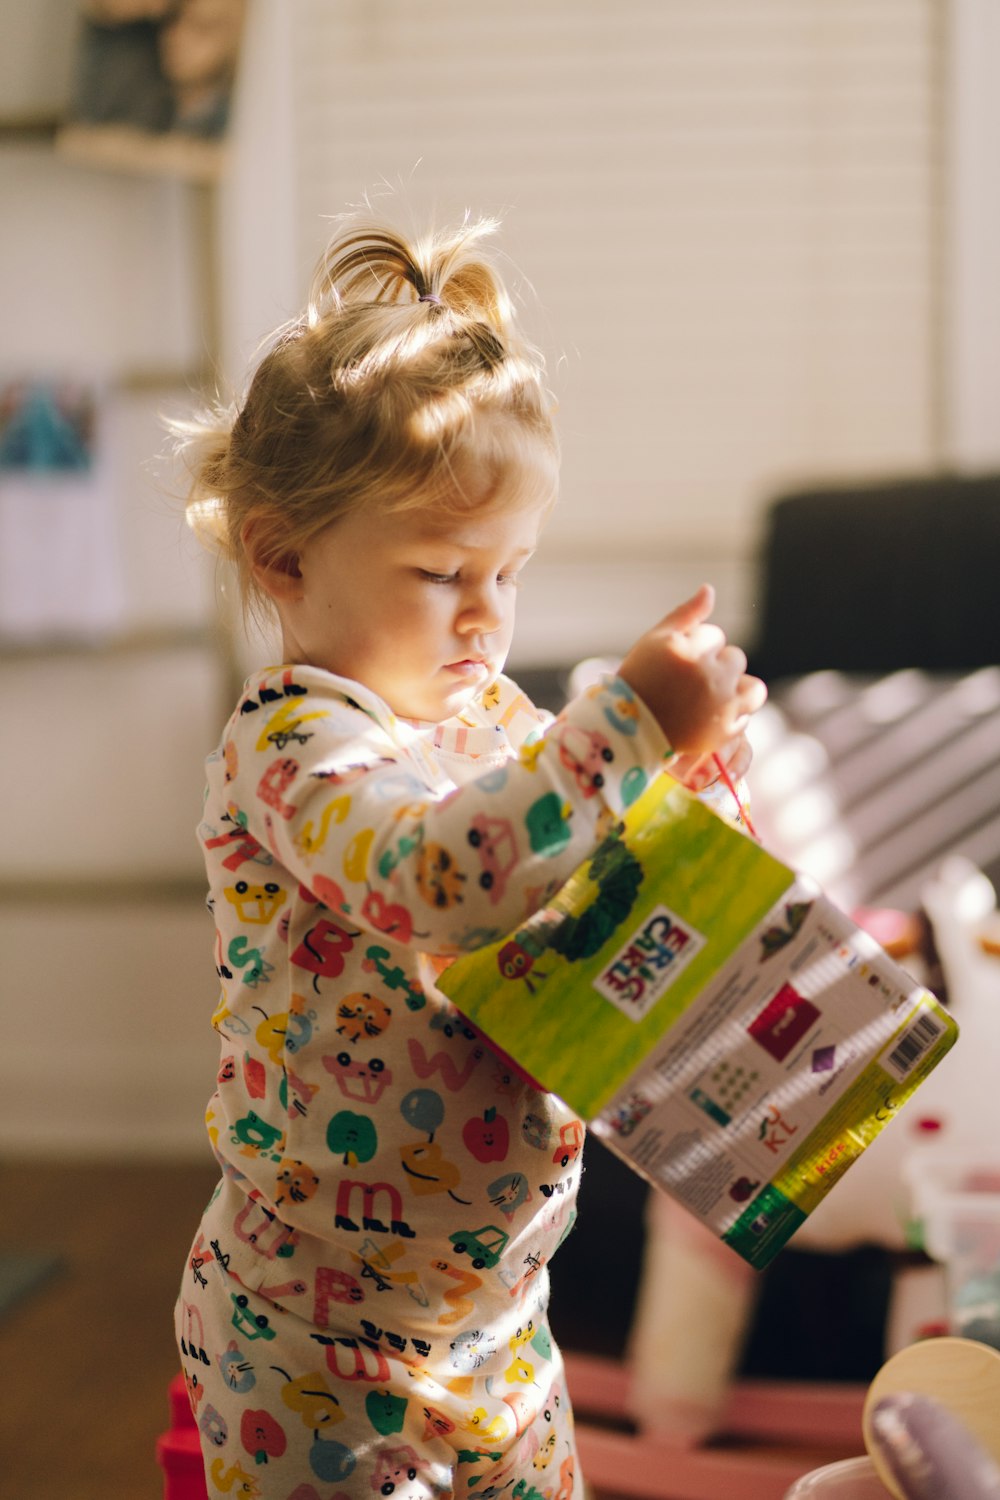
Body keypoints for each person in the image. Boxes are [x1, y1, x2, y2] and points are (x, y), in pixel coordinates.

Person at [173, 212, 766, 1500]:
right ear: (284, 556)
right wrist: (625, 725)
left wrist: (695, 772)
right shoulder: (290, 747)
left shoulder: (490, 720)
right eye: (445, 569)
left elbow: (604, 865)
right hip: (313, 1349)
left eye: (513, 570)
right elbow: (441, 878)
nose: (490, 613)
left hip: (499, 1326)